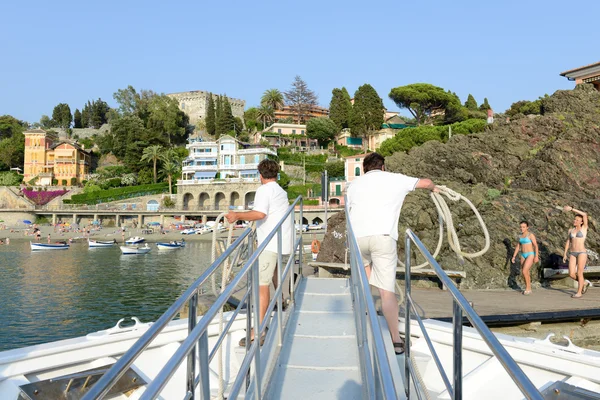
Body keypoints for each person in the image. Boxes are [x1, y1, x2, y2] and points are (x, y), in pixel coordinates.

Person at [347, 152, 438, 355]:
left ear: (364, 169)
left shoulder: (354, 185)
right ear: (383, 167)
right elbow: (425, 182)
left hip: (357, 237)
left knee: (365, 279)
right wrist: (434, 188)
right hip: (383, 236)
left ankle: (367, 321)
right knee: (386, 292)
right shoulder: (395, 179)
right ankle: (396, 340)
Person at [226, 159, 292, 346]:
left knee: (262, 284)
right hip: (282, 240)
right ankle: (284, 300)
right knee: (276, 273)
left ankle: (259, 330)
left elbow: (260, 214)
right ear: (277, 174)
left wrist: (237, 215)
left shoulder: (264, 190)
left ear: (260, 175)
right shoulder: (281, 190)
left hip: (269, 243)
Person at [562, 205, 591, 298]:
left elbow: (585, 214)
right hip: (573, 253)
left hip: (582, 253)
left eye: (577, 220)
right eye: (574, 219)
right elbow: (568, 241)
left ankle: (579, 292)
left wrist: (572, 209)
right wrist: (565, 253)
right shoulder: (571, 230)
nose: (575, 221)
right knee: (571, 274)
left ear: (581, 222)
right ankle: (584, 283)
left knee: (579, 272)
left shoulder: (584, 228)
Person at [510, 221, 539, 295]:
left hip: (530, 254)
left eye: (523, 227)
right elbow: (518, 246)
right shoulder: (520, 236)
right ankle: (528, 288)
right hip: (523, 255)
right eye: (521, 227)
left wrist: (536, 256)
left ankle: (528, 288)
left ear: (527, 227)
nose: (522, 228)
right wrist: (514, 256)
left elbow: (535, 245)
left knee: (524, 271)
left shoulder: (530, 235)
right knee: (526, 272)